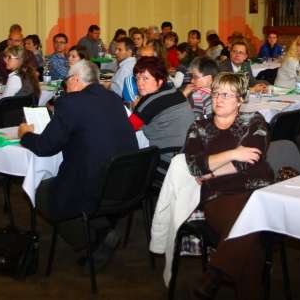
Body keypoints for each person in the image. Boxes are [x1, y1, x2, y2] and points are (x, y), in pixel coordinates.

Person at [18, 60, 138, 254]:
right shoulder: (113, 98)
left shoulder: (70, 102)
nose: (65, 86)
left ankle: (89, 239)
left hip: (93, 182)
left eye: (66, 81)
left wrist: (25, 135)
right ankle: (102, 230)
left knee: (39, 191)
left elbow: (45, 147)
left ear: (74, 79)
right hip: (123, 181)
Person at [183, 72, 273, 300]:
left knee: (249, 235)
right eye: (215, 93)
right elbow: (195, 166)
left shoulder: (254, 121)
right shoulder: (198, 127)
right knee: (251, 236)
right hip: (219, 196)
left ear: (240, 100)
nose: (218, 99)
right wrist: (233, 153)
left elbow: (251, 160)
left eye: (226, 95)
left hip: (258, 190)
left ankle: (215, 271)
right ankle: (217, 273)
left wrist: (212, 171)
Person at [128, 57, 194, 180]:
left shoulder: (150, 101)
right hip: (189, 159)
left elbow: (127, 129)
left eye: (145, 78)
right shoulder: (174, 91)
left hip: (167, 165)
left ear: (159, 81)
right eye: (137, 78)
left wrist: (134, 109)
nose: (140, 83)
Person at [182, 56, 219, 120]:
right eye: (192, 77)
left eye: (195, 77)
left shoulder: (197, 95)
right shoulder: (219, 91)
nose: (192, 81)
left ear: (208, 78)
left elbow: (194, 119)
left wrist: (184, 95)